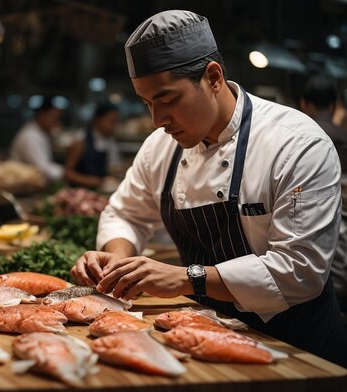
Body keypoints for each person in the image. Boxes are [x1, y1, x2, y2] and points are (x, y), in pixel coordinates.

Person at [71, 10, 347, 366]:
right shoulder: (160, 147)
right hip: (207, 336)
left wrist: (189, 278)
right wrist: (119, 262)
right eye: (147, 104)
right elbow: (125, 213)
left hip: (301, 349)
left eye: (167, 100)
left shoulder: (296, 145)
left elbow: (301, 270)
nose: (158, 121)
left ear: (213, 77)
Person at [299, 74, 347, 312]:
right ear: (333, 105)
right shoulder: (343, 136)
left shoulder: (297, 140)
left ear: (304, 103)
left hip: (316, 250)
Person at [64, 102, 122, 190]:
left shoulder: (110, 141)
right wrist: (94, 181)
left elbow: (114, 167)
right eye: (110, 121)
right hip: (80, 192)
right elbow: (68, 173)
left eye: (116, 122)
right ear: (97, 120)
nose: (114, 126)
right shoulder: (80, 140)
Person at [9, 96, 64, 182]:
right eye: (54, 117)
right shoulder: (30, 136)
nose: (56, 122)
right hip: (23, 186)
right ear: (41, 114)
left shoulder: (40, 132)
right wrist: (67, 173)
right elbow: (42, 170)